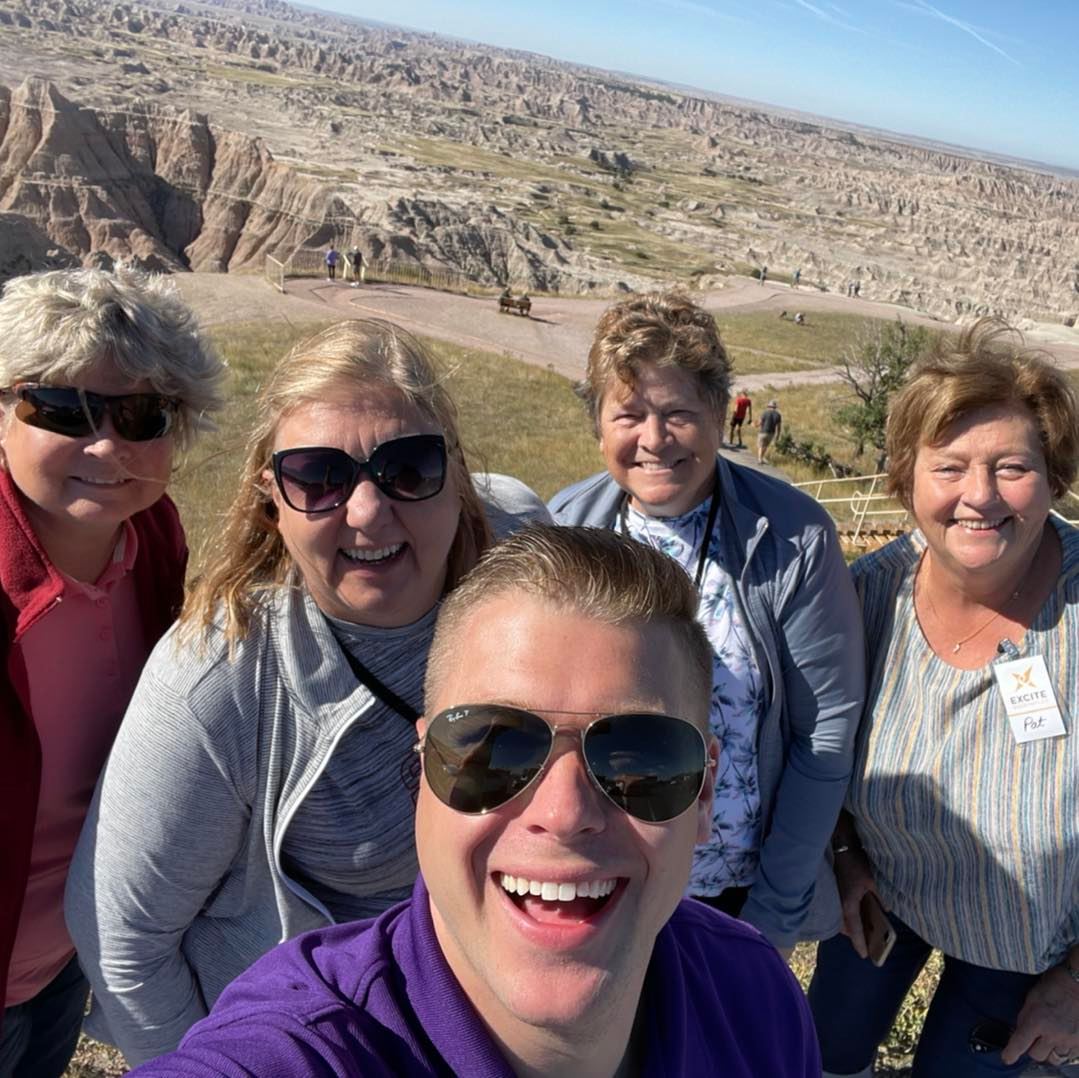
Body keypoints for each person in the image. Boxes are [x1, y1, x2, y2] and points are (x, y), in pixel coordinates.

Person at [129, 525, 821, 1077]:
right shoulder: (312, 1044)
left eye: (637, 757)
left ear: (702, 795)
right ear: (423, 770)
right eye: (492, 749)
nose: (565, 810)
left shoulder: (751, 993)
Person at [65, 318, 549, 1065]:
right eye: (318, 477)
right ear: (271, 498)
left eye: (408, 468)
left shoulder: (520, 556)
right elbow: (121, 938)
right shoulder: (220, 676)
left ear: (456, 471)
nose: (365, 512)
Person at [548, 292, 864, 954]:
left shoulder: (792, 537)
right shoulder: (564, 527)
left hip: (730, 889)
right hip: (598, 872)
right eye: (628, 415)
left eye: (678, 414)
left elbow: (823, 734)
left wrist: (773, 913)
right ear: (597, 426)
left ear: (718, 416)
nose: (653, 440)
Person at [809, 319, 1079, 1077]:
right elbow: (814, 739)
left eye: (1012, 467)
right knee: (820, 1057)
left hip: (1038, 941)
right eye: (949, 466)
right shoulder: (862, 598)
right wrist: (842, 855)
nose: (978, 497)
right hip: (884, 895)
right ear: (904, 478)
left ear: (1054, 476)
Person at [0, 267, 225, 1078]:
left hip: (62, 961)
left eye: (141, 416)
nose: (106, 447)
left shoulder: (154, 540)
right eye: (61, 408)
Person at [757, 398, 782, 463]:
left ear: (769, 406)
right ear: (775, 407)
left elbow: (760, 423)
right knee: (765, 446)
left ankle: (760, 459)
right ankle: (762, 458)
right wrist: (777, 435)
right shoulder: (778, 415)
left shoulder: (765, 413)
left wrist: (755, 425)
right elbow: (778, 427)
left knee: (760, 446)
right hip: (771, 433)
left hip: (763, 432)